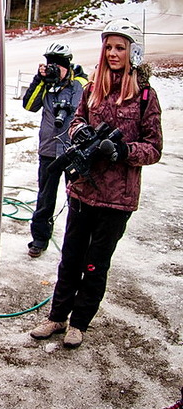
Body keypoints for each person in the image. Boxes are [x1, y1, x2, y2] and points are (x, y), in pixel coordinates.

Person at [29, 18, 162, 349]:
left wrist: (122, 150)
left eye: (120, 47)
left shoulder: (145, 96)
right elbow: (75, 120)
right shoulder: (92, 89)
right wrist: (81, 133)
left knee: (95, 263)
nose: (113, 53)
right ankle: (57, 316)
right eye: (109, 47)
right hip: (83, 190)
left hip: (117, 197)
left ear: (134, 51)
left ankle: (80, 322)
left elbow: (154, 147)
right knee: (70, 257)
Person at [22, 42, 86, 257]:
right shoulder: (46, 83)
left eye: (57, 66)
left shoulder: (80, 84)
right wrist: (39, 80)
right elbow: (29, 105)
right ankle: (39, 239)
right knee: (45, 197)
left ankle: (75, 243)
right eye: (50, 65)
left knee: (77, 199)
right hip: (49, 149)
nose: (53, 69)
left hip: (73, 150)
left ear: (67, 65)